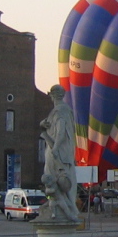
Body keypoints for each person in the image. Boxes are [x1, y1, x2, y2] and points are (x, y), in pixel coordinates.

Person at [40, 84, 79, 221]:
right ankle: (61, 203)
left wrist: (55, 147)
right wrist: (43, 123)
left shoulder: (59, 111)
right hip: (65, 151)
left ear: (52, 95)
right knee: (62, 176)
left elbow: (61, 130)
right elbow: (51, 125)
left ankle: (67, 206)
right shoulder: (65, 110)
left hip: (57, 151)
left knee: (54, 176)